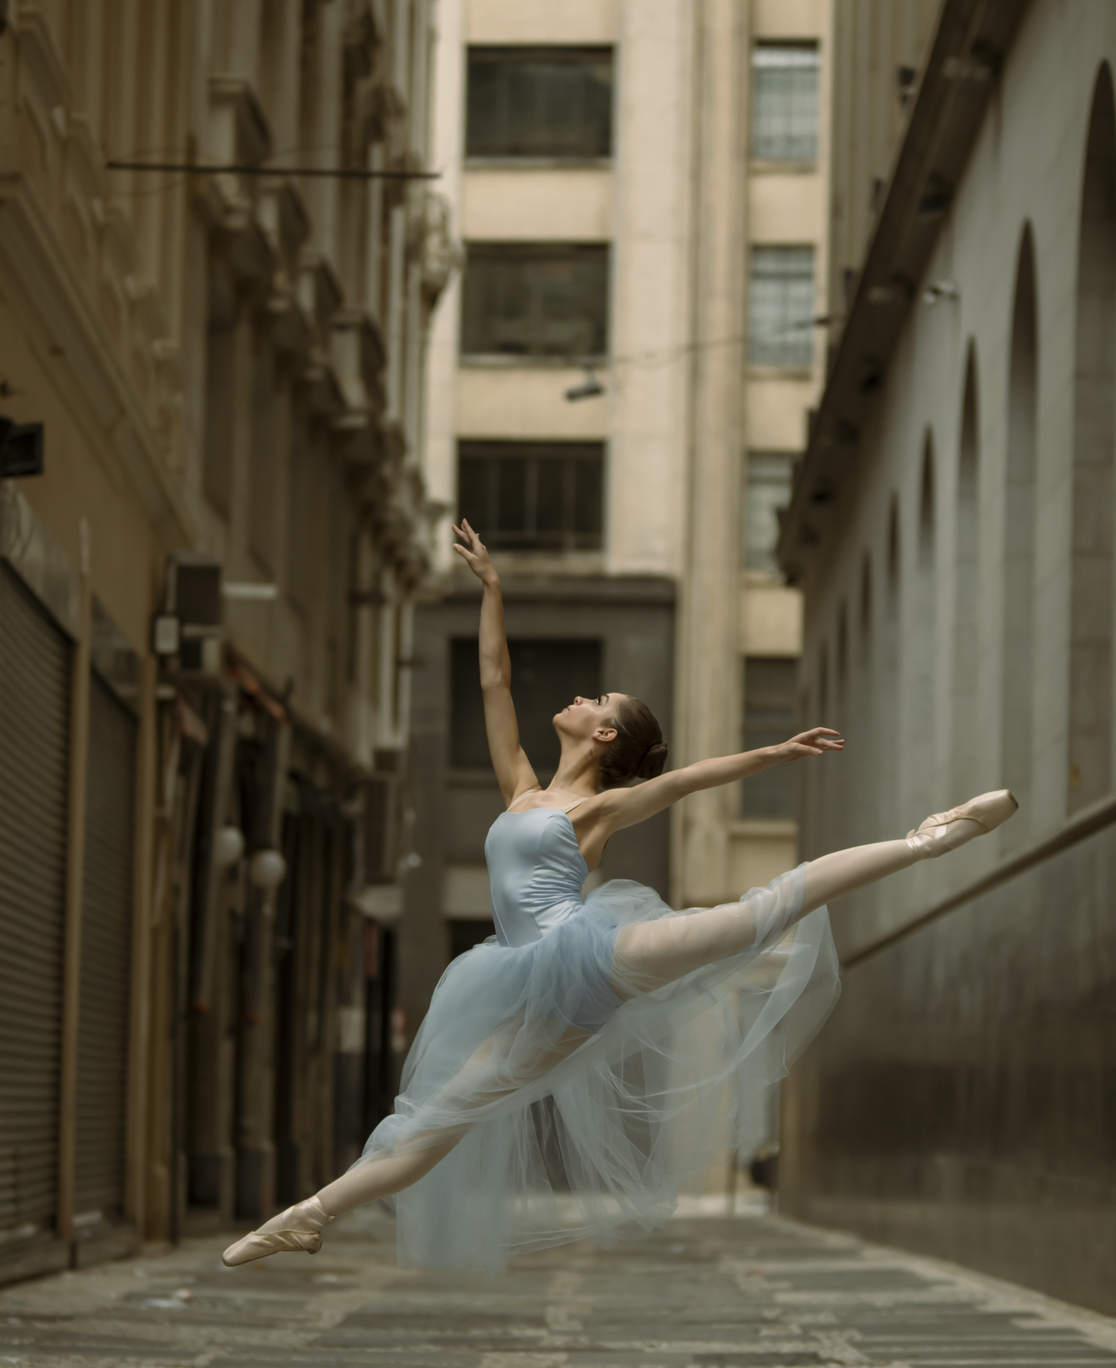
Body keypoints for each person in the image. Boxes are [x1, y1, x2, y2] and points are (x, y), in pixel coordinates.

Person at [223, 519, 1016, 1274]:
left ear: (604, 737)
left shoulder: (594, 810)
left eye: (596, 702)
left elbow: (679, 782)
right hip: (517, 983)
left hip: (587, 954)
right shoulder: (522, 791)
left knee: (753, 915)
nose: (579, 698)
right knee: (444, 1117)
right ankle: (312, 1214)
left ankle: (928, 838)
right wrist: (491, 587)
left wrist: (774, 751)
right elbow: (493, 678)